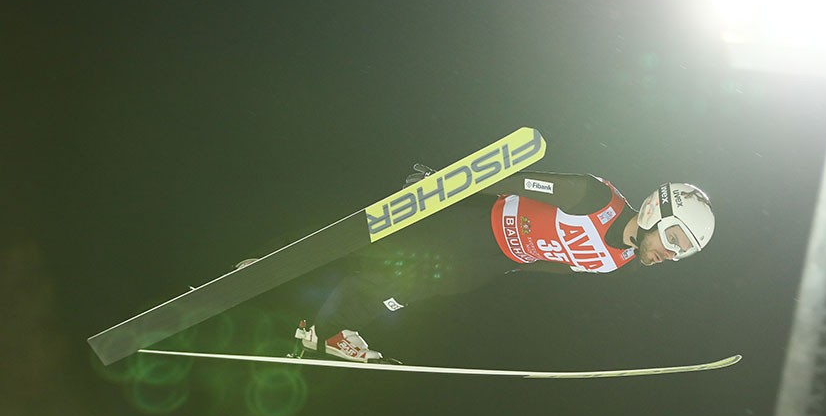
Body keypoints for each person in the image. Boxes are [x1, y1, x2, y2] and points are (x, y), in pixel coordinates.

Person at [291, 170, 715, 362]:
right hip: (479, 224)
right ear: (654, 211)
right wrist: (444, 185)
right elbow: (520, 180)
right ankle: (292, 270)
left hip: (498, 260)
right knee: (391, 256)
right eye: (674, 239)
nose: (671, 255)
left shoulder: (620, 263)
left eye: (683, 253)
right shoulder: (594, 198)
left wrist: (514, 266)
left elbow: (560, 263)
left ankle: (332, 331)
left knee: (409, 289)